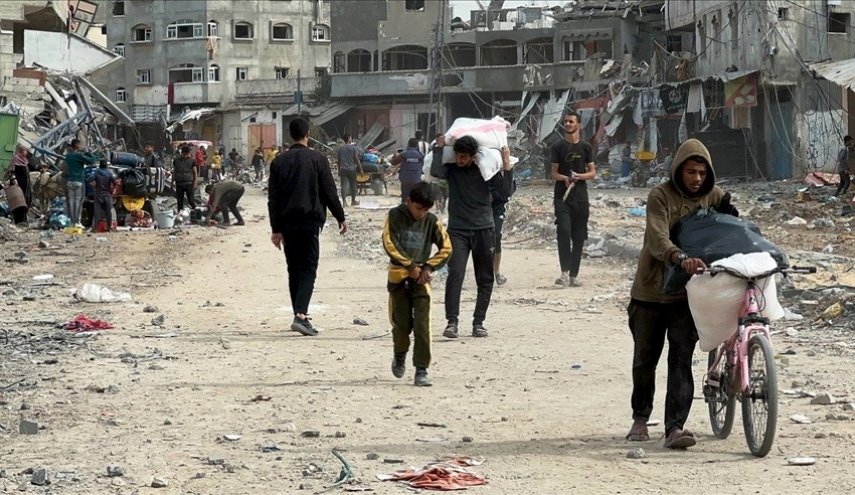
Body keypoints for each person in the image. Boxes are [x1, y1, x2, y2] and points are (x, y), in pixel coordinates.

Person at [626, 138, 733, 450]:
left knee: (681, 360)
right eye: (690, 172)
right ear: (678, 171)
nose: (697, 178)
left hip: (687, 296)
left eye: (702, 172)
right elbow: (657, 237)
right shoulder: (660, 196)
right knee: (644, 360)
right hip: (650, 292)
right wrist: (679, 256)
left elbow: (733, 228)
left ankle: (675, 427)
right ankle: (640, 417)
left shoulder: (715, 196)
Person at [268, 118, 347, 336]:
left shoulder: (278, 162)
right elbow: (329, 191)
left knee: (294, 268)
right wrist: (340, 217)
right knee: (309, 268)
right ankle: (301, 316)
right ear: (307, 134)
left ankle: (298, 313)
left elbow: (273, 199)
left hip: (287, 223)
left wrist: (276, 229)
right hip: (310, 221)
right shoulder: (318, 159)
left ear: (290, 135)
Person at [382, 182, 452, 387]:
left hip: (421, 280)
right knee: (402, 324)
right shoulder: (395, 216)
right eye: (418, 208)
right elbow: (389, 243)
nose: (421, 214)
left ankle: (421, 369)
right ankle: (400, 354)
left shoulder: (431, 221)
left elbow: (446, 248)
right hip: (399, 278)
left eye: (426, 210)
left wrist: (428, 267)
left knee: (422, 325)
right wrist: (409, 266)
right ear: (409, 201)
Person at [431, 135, 494, 339]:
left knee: (485, 278)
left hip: (484, 228)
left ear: (473, 156)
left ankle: (478, 323)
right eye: (457, 156)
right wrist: (439, 148)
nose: (460, 160)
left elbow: (504, 190)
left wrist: (506, 162)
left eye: (464, 157)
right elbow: (436, 172)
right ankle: (452, 322)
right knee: (455, 274)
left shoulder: (485, 170)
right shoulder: (452, 170)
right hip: (458, 230)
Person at [550, 111, 597, 287]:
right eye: (566, 121)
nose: (568, 124)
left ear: (578, 125)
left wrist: (579, 176)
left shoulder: (586, 147)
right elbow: (554, 173)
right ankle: (564, 272)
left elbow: (592, 173)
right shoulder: (557, 147)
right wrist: (565, 178)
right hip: (562, 198)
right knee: (563, 230)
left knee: (579, 236)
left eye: (571, 121)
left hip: (581, 198)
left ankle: (573, 275)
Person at [489, 147, 514, 286]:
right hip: (480, 210)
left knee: (496, 236)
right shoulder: (478, 174)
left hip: (497, 209)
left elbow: (507, 191)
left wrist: (507, 165)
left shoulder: (501, 176)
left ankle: (497, 272)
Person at [64, 138, 98, 227]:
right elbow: (92, 161)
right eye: (80, 144)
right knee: (78, 202)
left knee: (71, 201)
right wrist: (90, 153)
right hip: (79, 181)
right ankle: (77, 222)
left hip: (70, 181)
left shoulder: (68, 156)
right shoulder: (78, 155)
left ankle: (72, 222)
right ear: (77, 145)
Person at [391, 138, 424, 203]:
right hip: (416, 180)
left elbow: (393, 162)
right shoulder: (421, 155)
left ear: (408, 144)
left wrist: (394, 156)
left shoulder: (403, 154)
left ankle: (404, 206)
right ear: (417, 145)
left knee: (405, 198)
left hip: (405, 180)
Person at [336, 134, 363, 207]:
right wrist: (361, 169)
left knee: (343, 186)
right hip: (351, 169)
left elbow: (338, 161)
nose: (351, 139)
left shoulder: (340, 149)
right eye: (351, 138)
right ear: (348, 139)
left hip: (343, 169)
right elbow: (356, 159)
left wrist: (339, 170)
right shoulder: (353, 148)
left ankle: (344, 202)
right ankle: (353, 201)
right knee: (353, 185)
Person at [90, 159, 116, 232]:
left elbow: (89, 179)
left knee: (97, 212)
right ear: (106, 166)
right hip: (107, 195)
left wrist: (93, 185)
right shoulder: (109, 173)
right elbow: (115, 183)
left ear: (100, 165)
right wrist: (112, 190)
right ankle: (109, 228)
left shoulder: (96, 172)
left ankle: (95, 228)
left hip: (98, 194)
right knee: (108, 212)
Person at [173, 145, 198, 211]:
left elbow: (195, 172)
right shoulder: (176, 160)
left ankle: (195, 210)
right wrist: (172, 182)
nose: (186, 156)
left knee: (191, 200)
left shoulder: (192, 160)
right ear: (182, 153)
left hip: (189, 183)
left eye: (187, 154)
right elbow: (174, 171)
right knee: (179, 202)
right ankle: (180, 214)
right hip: (179, 183)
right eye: (185, 154)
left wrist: (195, 182)